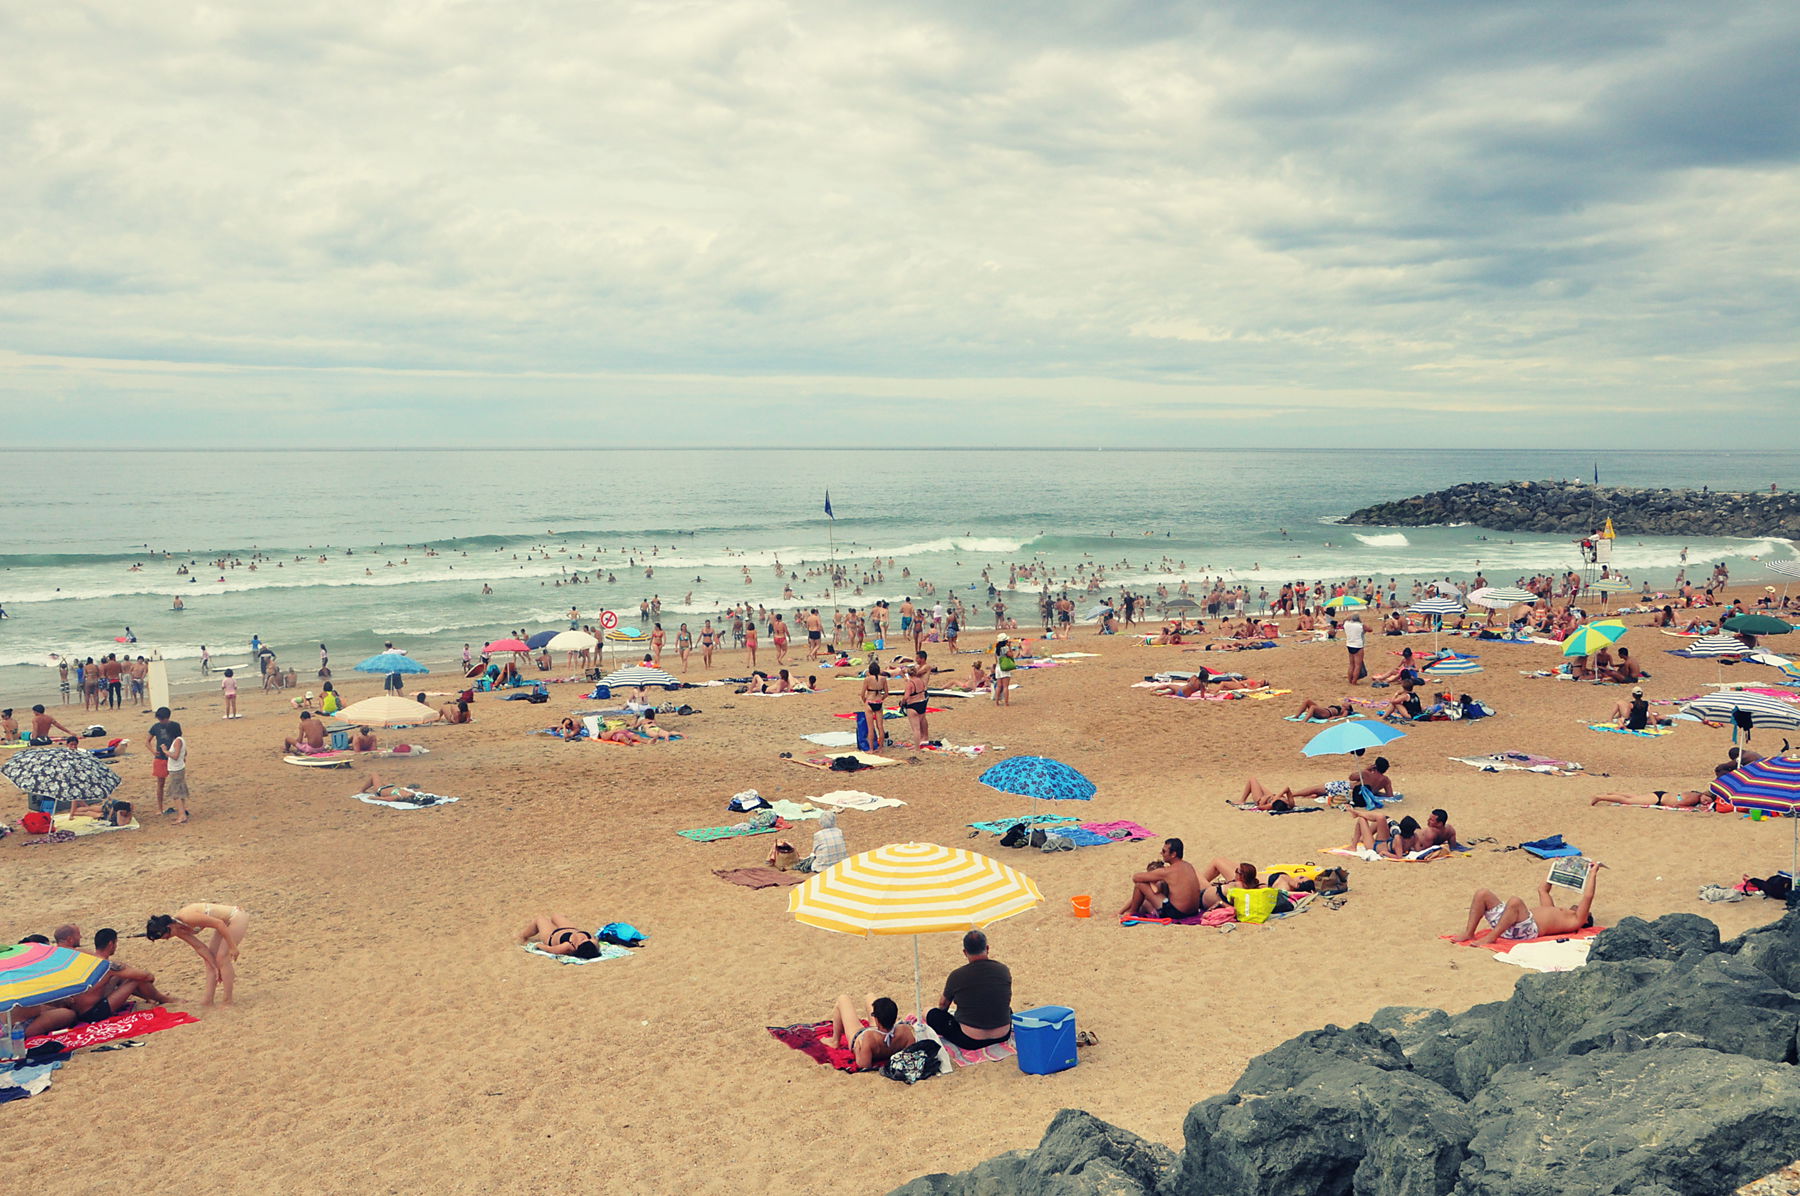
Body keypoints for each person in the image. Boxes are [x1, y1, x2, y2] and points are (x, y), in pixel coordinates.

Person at [1455, 861, 1604, 946]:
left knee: (1515, 901)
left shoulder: (1576, 920)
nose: (1580, 907)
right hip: (1511, 922)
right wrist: (1557, 866)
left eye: (1588, 913)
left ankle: (1492, 937)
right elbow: (1543, 890)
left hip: (1525, 930)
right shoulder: (1551, 910)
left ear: (1585, 921)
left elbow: (1588, 896)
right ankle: (1469, 932)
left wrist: (1593, 873)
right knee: (1483, 893)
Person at [145, 902, 251, 1006]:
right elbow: (200, 947)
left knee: (222, 957)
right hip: (223, 923)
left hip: (235, 917)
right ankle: (208, 1000)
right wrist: (214, 966)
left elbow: (219, 924)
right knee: (210, 960)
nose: (169, 938)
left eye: (168, 936)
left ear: (170, 926)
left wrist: (232, 946)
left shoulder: (187, 917)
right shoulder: (178, 930)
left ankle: (228, 1000)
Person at [924, 929, 1012, 1051]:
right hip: (1003, 1034)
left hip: (970, 1039)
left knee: (928, 1012)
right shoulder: (1003, 970)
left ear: (965, 952)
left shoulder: (957, 975)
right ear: (987, 948)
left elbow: (943, 1006)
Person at [828, 994, 917, 1072]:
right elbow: (911, 1054)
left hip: (859, 1036)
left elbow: (863, 1065)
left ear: (877, 1020)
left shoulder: (869, 1037)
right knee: (869, 996)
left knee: (842, 999)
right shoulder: (905, 1031)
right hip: (883, 1031)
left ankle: (835, 1041)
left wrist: (857, 1049)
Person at [1121, 838, 1202, 919]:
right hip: (1193, 911)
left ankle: (1132, 913)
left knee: (1140, 885)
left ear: (1173, 854)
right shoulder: (1188, 866)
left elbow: (1136, 877)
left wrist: (1152, 879)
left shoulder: (1167, 871)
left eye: (1164, 851)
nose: (1161, 853)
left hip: (1177, 913)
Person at [91, 927, 170, 1005]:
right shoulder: (107, 965)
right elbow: (147, 977)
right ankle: (163, 999)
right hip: (98, 1007)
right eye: (116, 943)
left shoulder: (90, 958)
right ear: (111, 944)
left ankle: (149, 997)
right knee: (136, 978)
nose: (116, 946)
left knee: (119, 977)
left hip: (91, 999)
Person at [514, 914, 603, 959]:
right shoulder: (590, 941)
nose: (587, 938)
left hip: (551, 935)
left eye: (584, 940)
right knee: (555, 915)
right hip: (569, 928)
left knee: (539, 919)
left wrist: (538, 945)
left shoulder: (568, 946)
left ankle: (522, 936)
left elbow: (551, 950)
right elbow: (595, 941)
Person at [164, 724, 190, 823]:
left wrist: (165, 751)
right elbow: (184, 753)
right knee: (180, 791)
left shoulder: (177, 741)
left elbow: (175, 756)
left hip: (176, 769)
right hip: (178, 768)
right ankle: (182, 812)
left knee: (176, 793)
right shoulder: (180, 740)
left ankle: (182, 815)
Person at [860, 662, 888, 749]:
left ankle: (871, 749)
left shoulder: (867, 679)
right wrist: (881, 699)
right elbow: (886, 693)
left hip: (870, 701)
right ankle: (880, 748)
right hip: (878, 702)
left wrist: (865, 700)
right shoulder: (883, 679)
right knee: (880, 727)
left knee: (870, 727)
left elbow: (862, 694)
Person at [1590, 789, 1708, 809]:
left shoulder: (1695, 793)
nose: (1706, 802)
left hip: (1661, 795)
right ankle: (1600, 797)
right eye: (1707, 799)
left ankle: (1613, 793)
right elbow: (1678, 805)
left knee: (1635, 797)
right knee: (1628, 801)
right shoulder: (1694, 798)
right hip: (1659, 799)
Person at [1344, 612, 1366, 685]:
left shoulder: (1347, 624)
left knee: (1351, 664)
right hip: (1358, 645)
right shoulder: (1360, 625)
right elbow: (1370, 629)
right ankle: (1354, 681)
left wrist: (1349, 616)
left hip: (1349, 644)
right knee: (1358, 665)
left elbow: (1345, 620)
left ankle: (1350, 680)